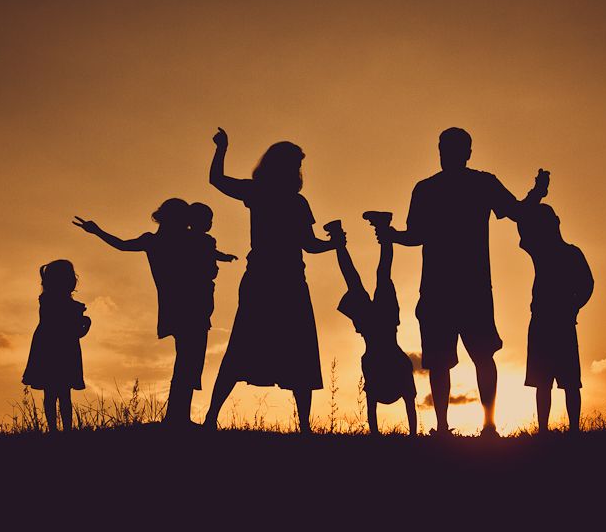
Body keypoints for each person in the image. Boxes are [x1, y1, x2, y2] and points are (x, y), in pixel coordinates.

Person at [381, 127, 518, 437]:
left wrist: (393, 236)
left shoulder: (442, 187)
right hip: (456, 288)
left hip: (450, 288)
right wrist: (393, 236)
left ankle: (479, 425)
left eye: (450, 148)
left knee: (466, 358)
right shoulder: (471, 185)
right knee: (453, 360)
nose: (446, 154)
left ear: (466, 152)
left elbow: (414, 235)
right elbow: (517, 211)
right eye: (443, 148)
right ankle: (465, 426)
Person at [203, 127, 339, 434]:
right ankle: (213, 418)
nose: (298, 170)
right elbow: (311, 245)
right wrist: (333, 244)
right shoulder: (281, 197)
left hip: (274, 278)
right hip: (277, 280)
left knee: (283, 350)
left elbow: (309, 244)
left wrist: (333, 243)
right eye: (295, 164)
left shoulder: (267, 194)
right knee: (279, 349)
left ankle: (215, 419)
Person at [73, 197, 233, 426]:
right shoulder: (181, 240)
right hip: (191, 307)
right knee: (189, 361)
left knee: (187, 361)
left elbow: (121, 244)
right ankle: (178, 418)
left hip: (180, 307)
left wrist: (97, 231)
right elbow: (122, 245)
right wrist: (97, 230)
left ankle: (177, 417)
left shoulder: (157, 241)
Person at [515, 170, 594, 433]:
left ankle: (567, 430)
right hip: (548, 321)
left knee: (567, 382)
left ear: (556, 222)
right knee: (545, 382)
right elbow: (523, 217)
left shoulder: (563, 252)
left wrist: (573, 306)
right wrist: (537, 192)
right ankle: (550, 431)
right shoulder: (548, 250)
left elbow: (587, 285)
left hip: (556, 321)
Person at [331, 212, 418, 436]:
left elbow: (378, 408)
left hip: (376, 326)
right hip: (382, 326)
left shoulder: (381, 365)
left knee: (365, 278)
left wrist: (409, 435)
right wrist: (412, 435)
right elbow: (407, 406)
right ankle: (365, 230)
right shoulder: (397, 366)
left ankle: (343, 236)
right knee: (375, 276)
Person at [22, 259, 91, 432]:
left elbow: (75, 331)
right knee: (57, 392)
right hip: (56, 349)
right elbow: (70, 327)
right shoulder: (49, 301)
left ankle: (61, 429)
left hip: (51, 348)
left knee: (57, 392)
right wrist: (82, 319)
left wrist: (83, 321)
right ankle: (58, 429)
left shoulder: (51, 301)